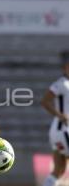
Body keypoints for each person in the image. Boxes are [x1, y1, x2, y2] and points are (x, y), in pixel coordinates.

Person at [41, 50, 69, 186]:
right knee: (59, 169)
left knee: (59, 170)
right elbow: (45, 101)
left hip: (60, 131)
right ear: (65, 68)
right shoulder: (62, 83)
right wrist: (60, 115)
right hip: (63, 130)